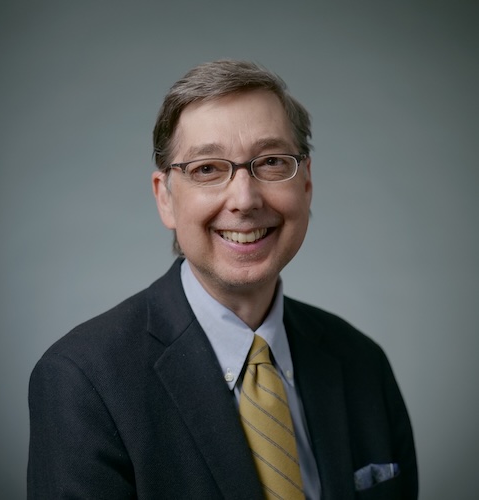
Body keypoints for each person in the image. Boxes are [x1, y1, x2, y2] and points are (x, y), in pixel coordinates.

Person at [28, 60, 418, 499]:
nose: (245, 199)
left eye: (271, 162)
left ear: (306, 184)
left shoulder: (362, 362)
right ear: (165, 198)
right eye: (208, 170)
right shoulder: (83, 382)